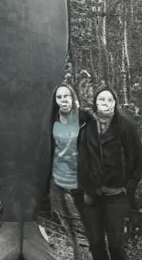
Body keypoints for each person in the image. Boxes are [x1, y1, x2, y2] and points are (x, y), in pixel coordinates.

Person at [76, 86, 142, 260]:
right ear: (95, 103)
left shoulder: (125, 126)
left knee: (115, 245)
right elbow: (79, 158)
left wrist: (130, 186)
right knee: (96, 244)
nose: (105, 103)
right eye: (101, 100)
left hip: (117, 194)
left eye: (109, 100)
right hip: (90, 195)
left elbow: (139, 157)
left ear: (115, 103)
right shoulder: (86, 127)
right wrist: (82, 187)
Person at [49, 84, 89, 260]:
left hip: (80, 181)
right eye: (59, 97)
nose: (63, 100)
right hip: (57, 181)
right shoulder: (52, 119)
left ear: (73, 97)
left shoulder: (85, 117)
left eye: (67, 96)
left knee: (82, 229)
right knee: (69, 227)